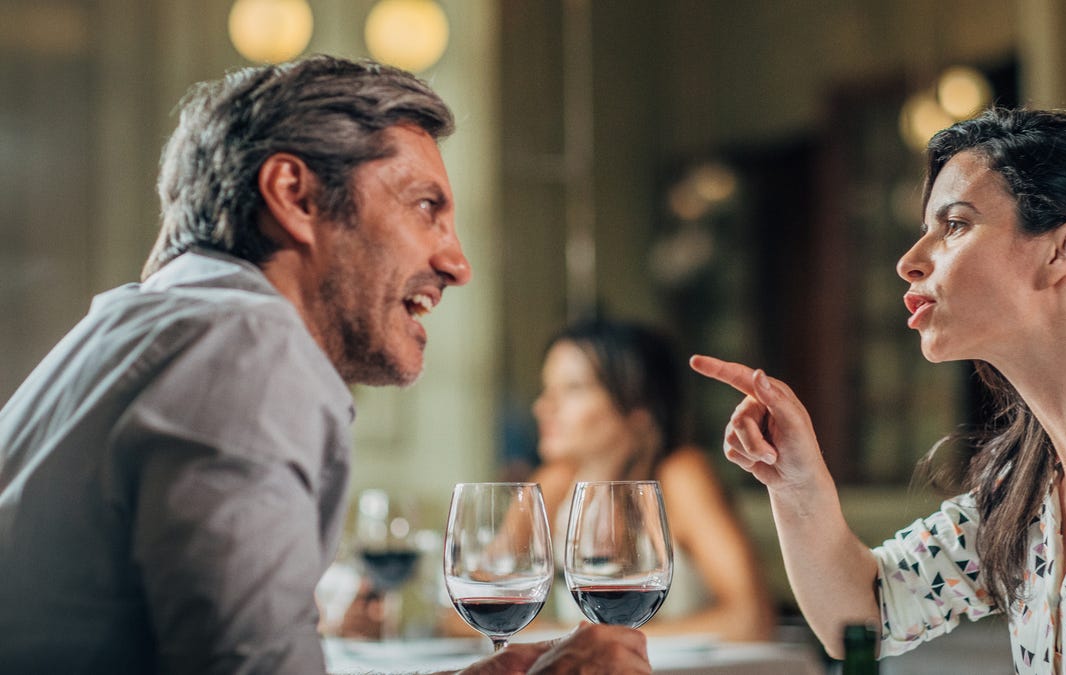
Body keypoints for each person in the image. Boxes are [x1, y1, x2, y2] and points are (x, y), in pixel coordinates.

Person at [0, 55, 650, 675]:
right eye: (428, 207)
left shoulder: (138, 328)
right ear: (295, 195)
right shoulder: (245, 348)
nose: (458, 263)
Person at [691, 108, 1066, 673]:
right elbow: (863, 617)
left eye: (954, 224)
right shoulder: (1021, 489)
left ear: (1063, 249)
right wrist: (795, 482)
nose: (909, 261)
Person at [528, 318, 776, 641]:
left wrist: (588, 641)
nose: (543, 406)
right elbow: (465, 608)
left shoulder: (680, 476)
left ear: (639, 409)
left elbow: (751, 620)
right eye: (547, 389)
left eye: (573, 388)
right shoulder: (557, 483)